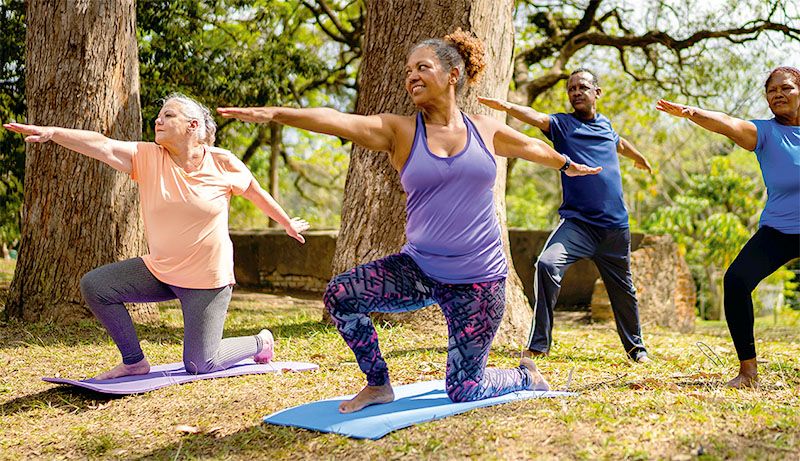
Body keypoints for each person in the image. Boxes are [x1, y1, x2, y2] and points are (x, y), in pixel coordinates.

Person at [219, 29, 601, 413]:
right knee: (341, 295)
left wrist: (566, 163)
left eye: (423, 67)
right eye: (408, 71)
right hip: (419, 269)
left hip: (480, 283)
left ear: (453, 75)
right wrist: (276, 114)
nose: (412, 77)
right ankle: (378, 384)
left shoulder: (485, 129)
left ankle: (524, 376)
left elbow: (531, 146)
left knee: (464, 390)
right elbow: (335, 119)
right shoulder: (398, 131)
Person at [3, 93, 309, 380]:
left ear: (193, 126)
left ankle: (260, 341)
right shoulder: (148, 157)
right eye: (158, 115)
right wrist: (54, 133)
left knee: (201, 364)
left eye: (168, 115)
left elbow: (256, 192)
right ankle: (134, 361)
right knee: (96, 285)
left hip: (207, 280)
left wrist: (286, 223)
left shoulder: (222, 162)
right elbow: (103, 145)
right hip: (161, 270)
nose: (157, 120)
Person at [479, 68, 653, 363]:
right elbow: (535, 116)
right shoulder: (562, 124)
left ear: (597, 93)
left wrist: (640, 158)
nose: (575, 92)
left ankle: (637, 350)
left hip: (614, 228)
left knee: (623, 289)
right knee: (546, 265)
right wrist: (508, 107)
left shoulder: (606, 126)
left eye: (582, 87)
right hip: (578, 225)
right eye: (571, 88)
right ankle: (539, 344)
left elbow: (619, 142)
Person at [656, 66, 800, 388]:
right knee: (735, 281)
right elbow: (728, 123)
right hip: (779, 230)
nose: (778, 94)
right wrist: (692, 113)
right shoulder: (765, 133)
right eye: (772, 90)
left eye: (786, 88)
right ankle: (748, 373)